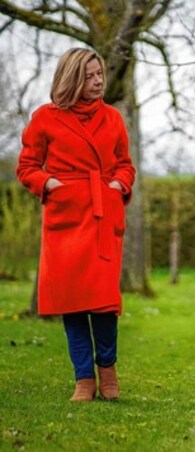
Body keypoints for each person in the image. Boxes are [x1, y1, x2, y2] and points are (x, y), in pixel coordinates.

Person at [17, 48, 136, 402]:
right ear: (71, 79)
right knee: (71, 302)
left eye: (100, 74)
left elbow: (125, 165)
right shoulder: (45, 118)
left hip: (102, 216)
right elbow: (27, 167)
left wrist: (117, 186)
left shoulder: (113, 117)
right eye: (90, 76)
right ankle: (83, 379)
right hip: (65, 222)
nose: (98, 81)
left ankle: (108, 373)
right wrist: (51, 185)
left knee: (103, 301)